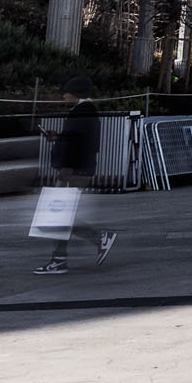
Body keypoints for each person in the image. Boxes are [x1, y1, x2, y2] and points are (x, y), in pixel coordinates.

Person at [36, 78, 117, 274]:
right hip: (78, 169)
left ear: (76, 94)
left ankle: (64, 256)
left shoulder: (84, 112)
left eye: (66, 92)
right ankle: (65, 255)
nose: (63, 96)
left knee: (57, 215)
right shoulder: (85, 111)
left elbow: (81, 144)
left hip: (74, 171)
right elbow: (77, 139)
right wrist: (58, 137)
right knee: (59, 215)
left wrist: (68, 167)